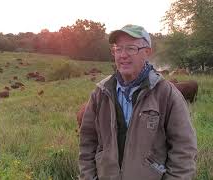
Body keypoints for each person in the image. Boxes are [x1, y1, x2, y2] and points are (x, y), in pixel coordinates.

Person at [78, 24, 197, 180]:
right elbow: (87, 144)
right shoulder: (100, 93)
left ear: (147, 52)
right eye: (118, 49)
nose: (123, 55)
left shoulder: (167, 95)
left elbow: (184, 151)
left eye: (131, 48)